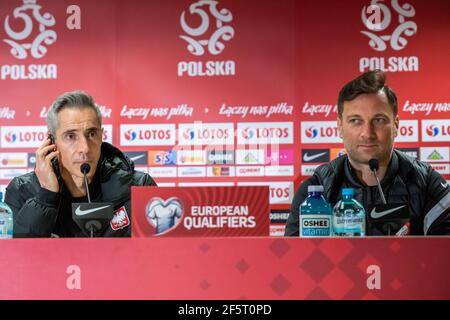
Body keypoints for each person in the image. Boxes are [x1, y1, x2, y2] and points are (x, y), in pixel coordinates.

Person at [285, 70, 450, 236]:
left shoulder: (427, 182)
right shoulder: (317, 191)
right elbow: (294, 258)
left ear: (396, 125)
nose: (367, 133)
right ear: (340, 127)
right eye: (355, 121)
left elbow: (443, 255)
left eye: (378, 120)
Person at [5, 91, 157, 237]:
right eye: (71, 136)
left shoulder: (139, 188)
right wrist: (46, 196)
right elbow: (18, 258)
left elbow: (160, 255)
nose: (84, 148)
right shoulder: (22, 190)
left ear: (101, 136)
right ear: (52, 142)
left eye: (92, 134)